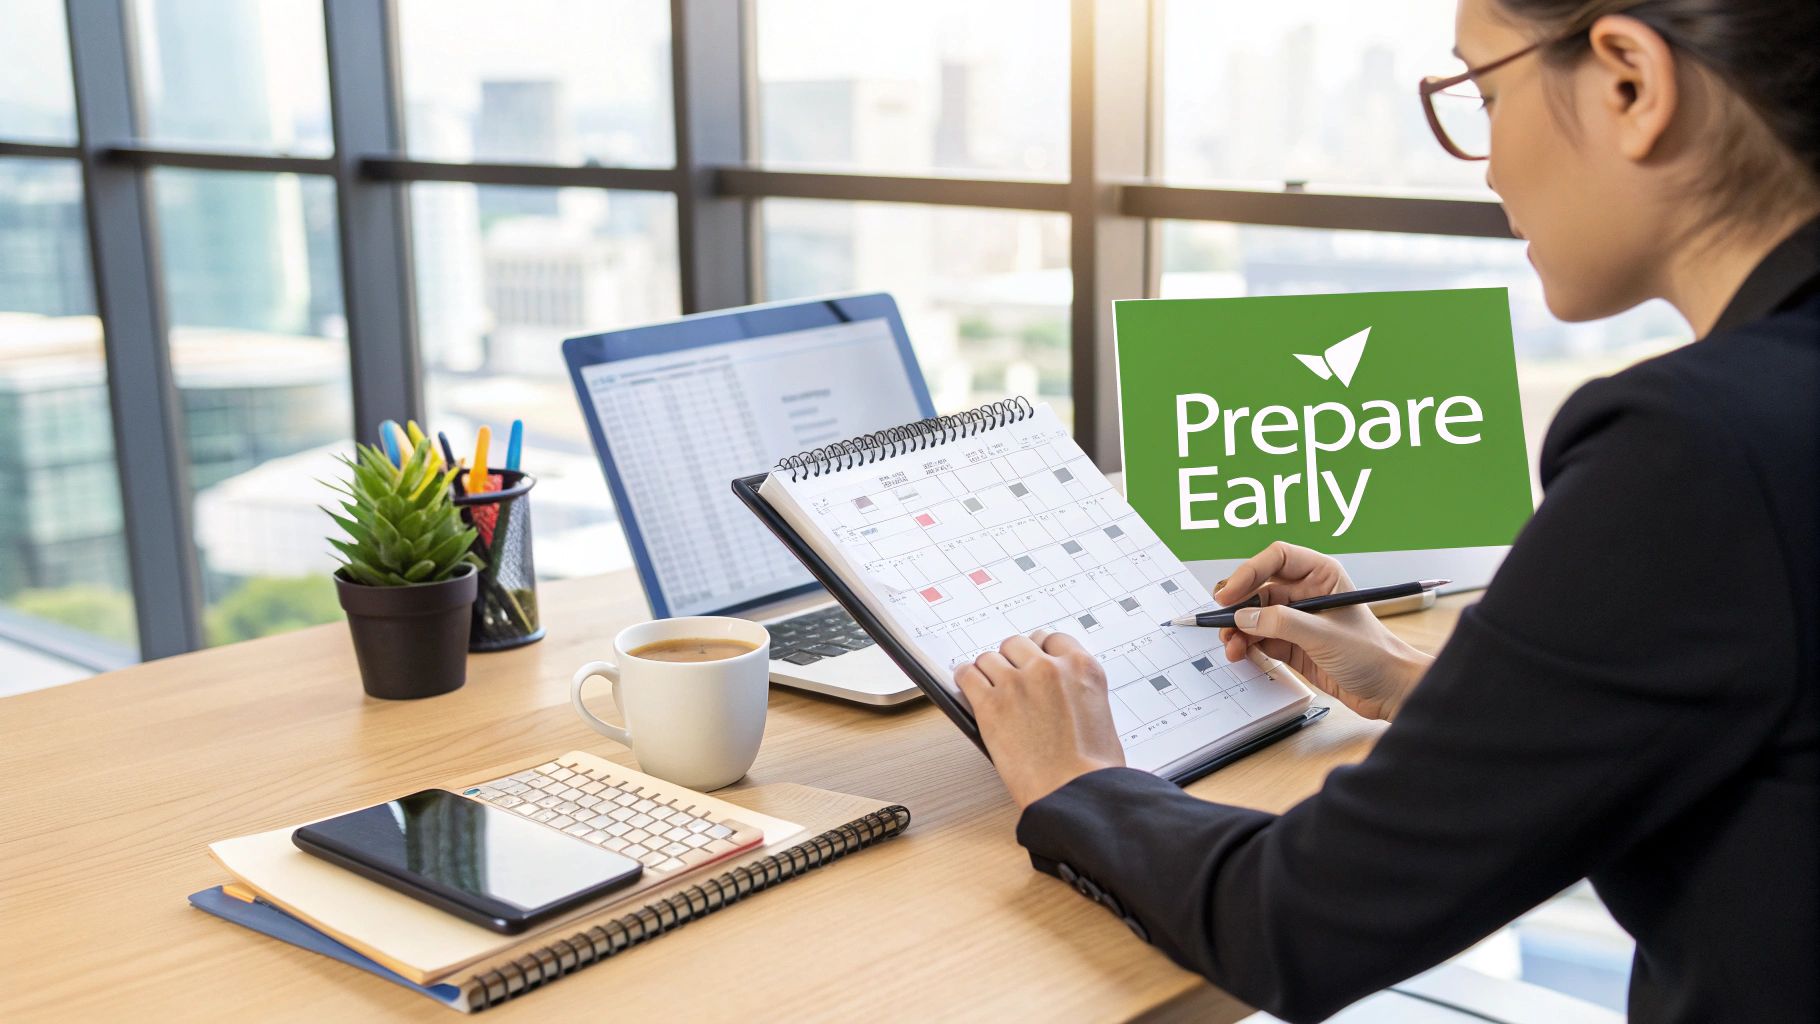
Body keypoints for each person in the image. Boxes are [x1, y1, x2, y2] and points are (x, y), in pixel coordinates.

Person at [954, 0, 1820, 1020]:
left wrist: (1076, 781)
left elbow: (1299, 919)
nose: (1488, 166)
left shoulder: (1698, 450)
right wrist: (1436, 689)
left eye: (1484, 94)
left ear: (1628, 81)